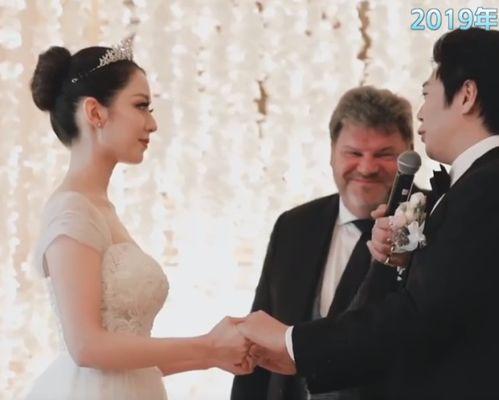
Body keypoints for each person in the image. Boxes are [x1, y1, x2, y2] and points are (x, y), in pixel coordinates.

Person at [237, 27, 499, 400]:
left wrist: (291, 342)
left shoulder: (485, 187)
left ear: (467, 95)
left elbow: (419, 316)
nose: (422, 111)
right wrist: (403, 262)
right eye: (353, 153)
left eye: (427, 93)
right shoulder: (474, 186)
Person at [26, 37, 252, 400]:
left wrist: (213, 357)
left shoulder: (99, 208)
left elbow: (127, 360)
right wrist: (207, 345)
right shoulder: (72, 210)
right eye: (141, 106)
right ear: (95, 113)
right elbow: (86, 347)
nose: (152, 124)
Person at [231, 86, 414, 400]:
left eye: (384, 154)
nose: (367, 168)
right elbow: (258, 340)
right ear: (331, 153)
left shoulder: (435, 221)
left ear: (408, 153)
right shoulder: (294, 225)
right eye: (353, 153)